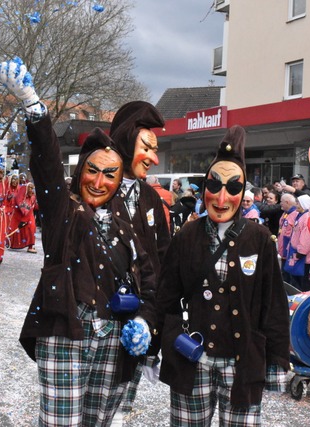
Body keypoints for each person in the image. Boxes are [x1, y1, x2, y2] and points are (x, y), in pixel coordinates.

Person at [0, 57, 157, 426]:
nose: (99, 182)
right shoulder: (62, 212)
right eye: (92, 171)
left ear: (120, 180)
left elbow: (150, 281)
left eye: (110, 175)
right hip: (65, 332)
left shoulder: (126, 223)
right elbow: (48, 165)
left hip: (114, 340)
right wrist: (34, 109)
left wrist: (146, 323)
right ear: (81, 171)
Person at [157, 125, 290, 426]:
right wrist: (155, 347)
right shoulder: (186, 236)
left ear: (243, 193)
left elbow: (274, 305)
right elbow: (166, 296)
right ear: (204, 187)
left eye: (232, 188)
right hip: (191, 358)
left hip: (242, 362)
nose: (221, 197)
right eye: (214, 186)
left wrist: (278, 359)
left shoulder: (259, 239)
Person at [108, 100, 171, 423]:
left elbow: (162, 260)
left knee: (122, 405)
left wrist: (153, 328)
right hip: (101, 318)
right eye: (147, 147)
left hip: (138, 318)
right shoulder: (100, 187)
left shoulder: (150, 198)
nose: (154, 158)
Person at [288, 195, 310, 292]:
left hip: (301, 254)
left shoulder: (306, 218)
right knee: (297, 278)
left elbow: (306, 237)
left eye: (298, 203)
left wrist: (301, 252)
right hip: (297, 251)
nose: (296, 205)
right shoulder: (300, 215)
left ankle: (302, 298)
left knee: (301, 279)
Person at [10, 181, 38, 252]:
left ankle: (30, 246)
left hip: (29, 216)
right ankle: (13, 244)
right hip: (19, 216)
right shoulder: (19, 196)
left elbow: (35, 207)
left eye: (33, 188)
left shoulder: (33, 197)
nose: (32, 190)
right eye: (30, 188)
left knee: (32, 228)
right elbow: (22, 207)